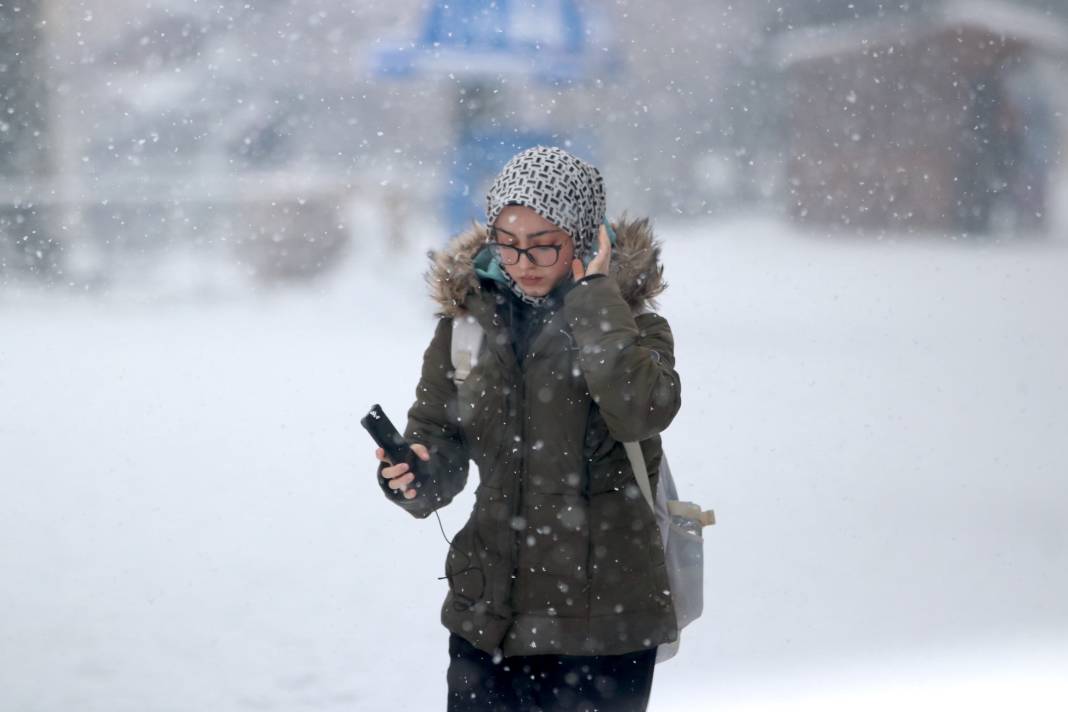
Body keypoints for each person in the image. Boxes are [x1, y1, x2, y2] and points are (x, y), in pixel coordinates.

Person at [374, 146, 681, 711]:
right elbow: (439, 439)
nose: (523, 260)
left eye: (544, 243)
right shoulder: (466, 328)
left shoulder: (633, 325)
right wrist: (415, 471)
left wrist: (593, 298)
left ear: (585, 239)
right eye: (507, 244)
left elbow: (640, 410)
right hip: (489, 616)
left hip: (603, 624)